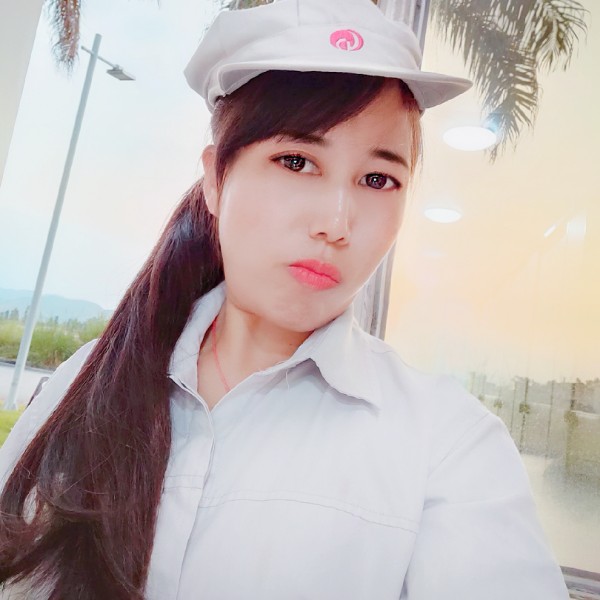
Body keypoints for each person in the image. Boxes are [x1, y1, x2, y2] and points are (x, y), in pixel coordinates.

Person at [0, 0, 569, 598]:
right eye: (297, 162)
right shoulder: (82, 387)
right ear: (215, 178)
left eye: (379, 179)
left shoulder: (448, 446)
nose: (336, 223)